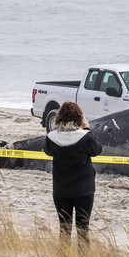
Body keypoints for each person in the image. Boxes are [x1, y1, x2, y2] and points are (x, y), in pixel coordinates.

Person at [42, 101, 103, 244]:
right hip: (84, 189)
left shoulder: (51, 137)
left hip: (61, 189)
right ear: (80, 118)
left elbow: (48, 151)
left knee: (64, 228)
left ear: (59, 118)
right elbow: (97, 150)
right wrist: (87, 128)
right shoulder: (86, 137)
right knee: (83, 228)